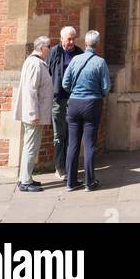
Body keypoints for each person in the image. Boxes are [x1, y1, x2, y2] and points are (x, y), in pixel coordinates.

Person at [62, 29, 111, 191]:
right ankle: (89, 182)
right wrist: (96, 93)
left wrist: (76, 92)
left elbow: (65, 83)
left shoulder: (75, 59)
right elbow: (106, 87)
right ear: (98, 45)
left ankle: (71, 181)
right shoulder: (100, 62)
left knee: (73, 144)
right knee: (89, 145)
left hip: (74, 103)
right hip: (91, 104)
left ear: (85, 44)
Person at [13, 35, 54, 193]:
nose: (50, 49)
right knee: (31, 147)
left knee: (31, 146)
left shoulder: (36, 63)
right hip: (34, 115)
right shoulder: (35, 64)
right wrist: (33, 113)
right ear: (41, 48)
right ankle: (25, 181)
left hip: (35, 114)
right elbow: (31, 91)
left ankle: (25, 177)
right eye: (48, 46)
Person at [47, 25, 83, 178]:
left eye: (73, 39)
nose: (71, 42)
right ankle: (60, 167)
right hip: (58, 99)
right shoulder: (54, 52)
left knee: (72, 134)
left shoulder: (79, 53)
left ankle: (70, 166)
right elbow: (48, 73)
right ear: (61, 39)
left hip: (74, 99)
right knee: (59, 134)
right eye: (69, 39)